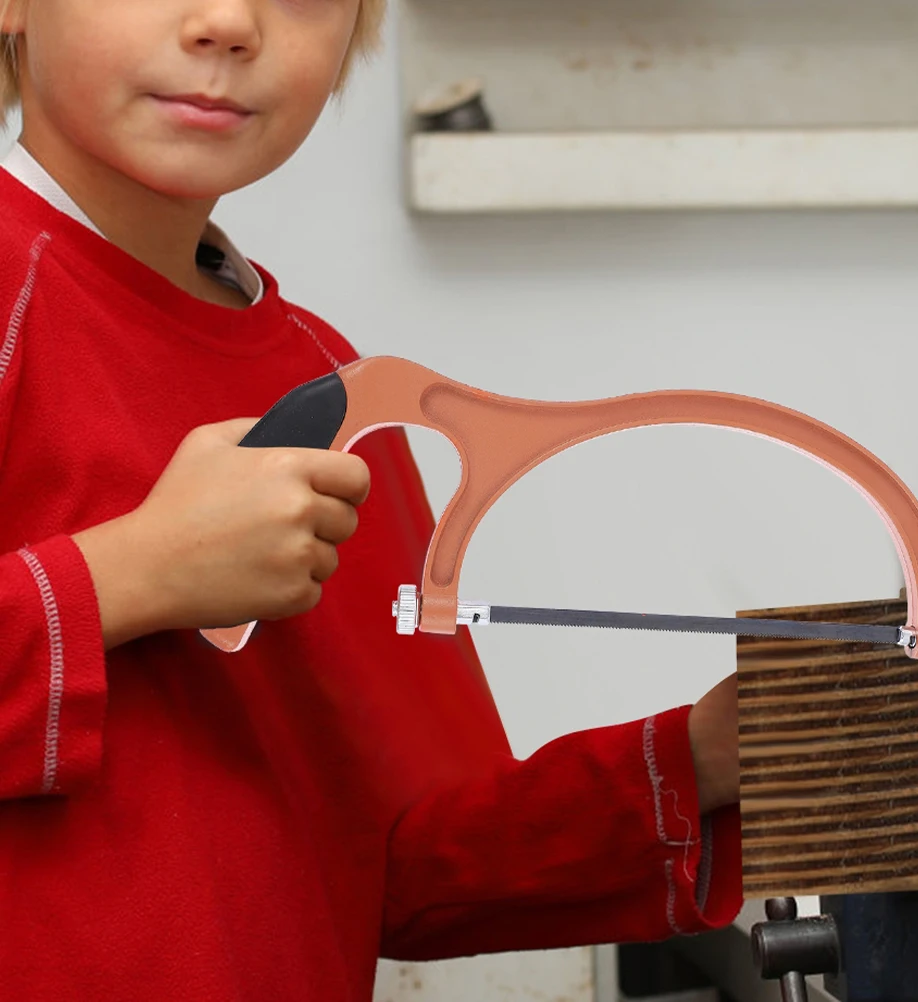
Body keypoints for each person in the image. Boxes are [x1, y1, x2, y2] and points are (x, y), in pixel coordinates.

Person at [0, 0, 743, 998]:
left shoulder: (334, 384)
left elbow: (406, 864)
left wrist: (701, 761)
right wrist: (131, 577)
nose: (228, 23)